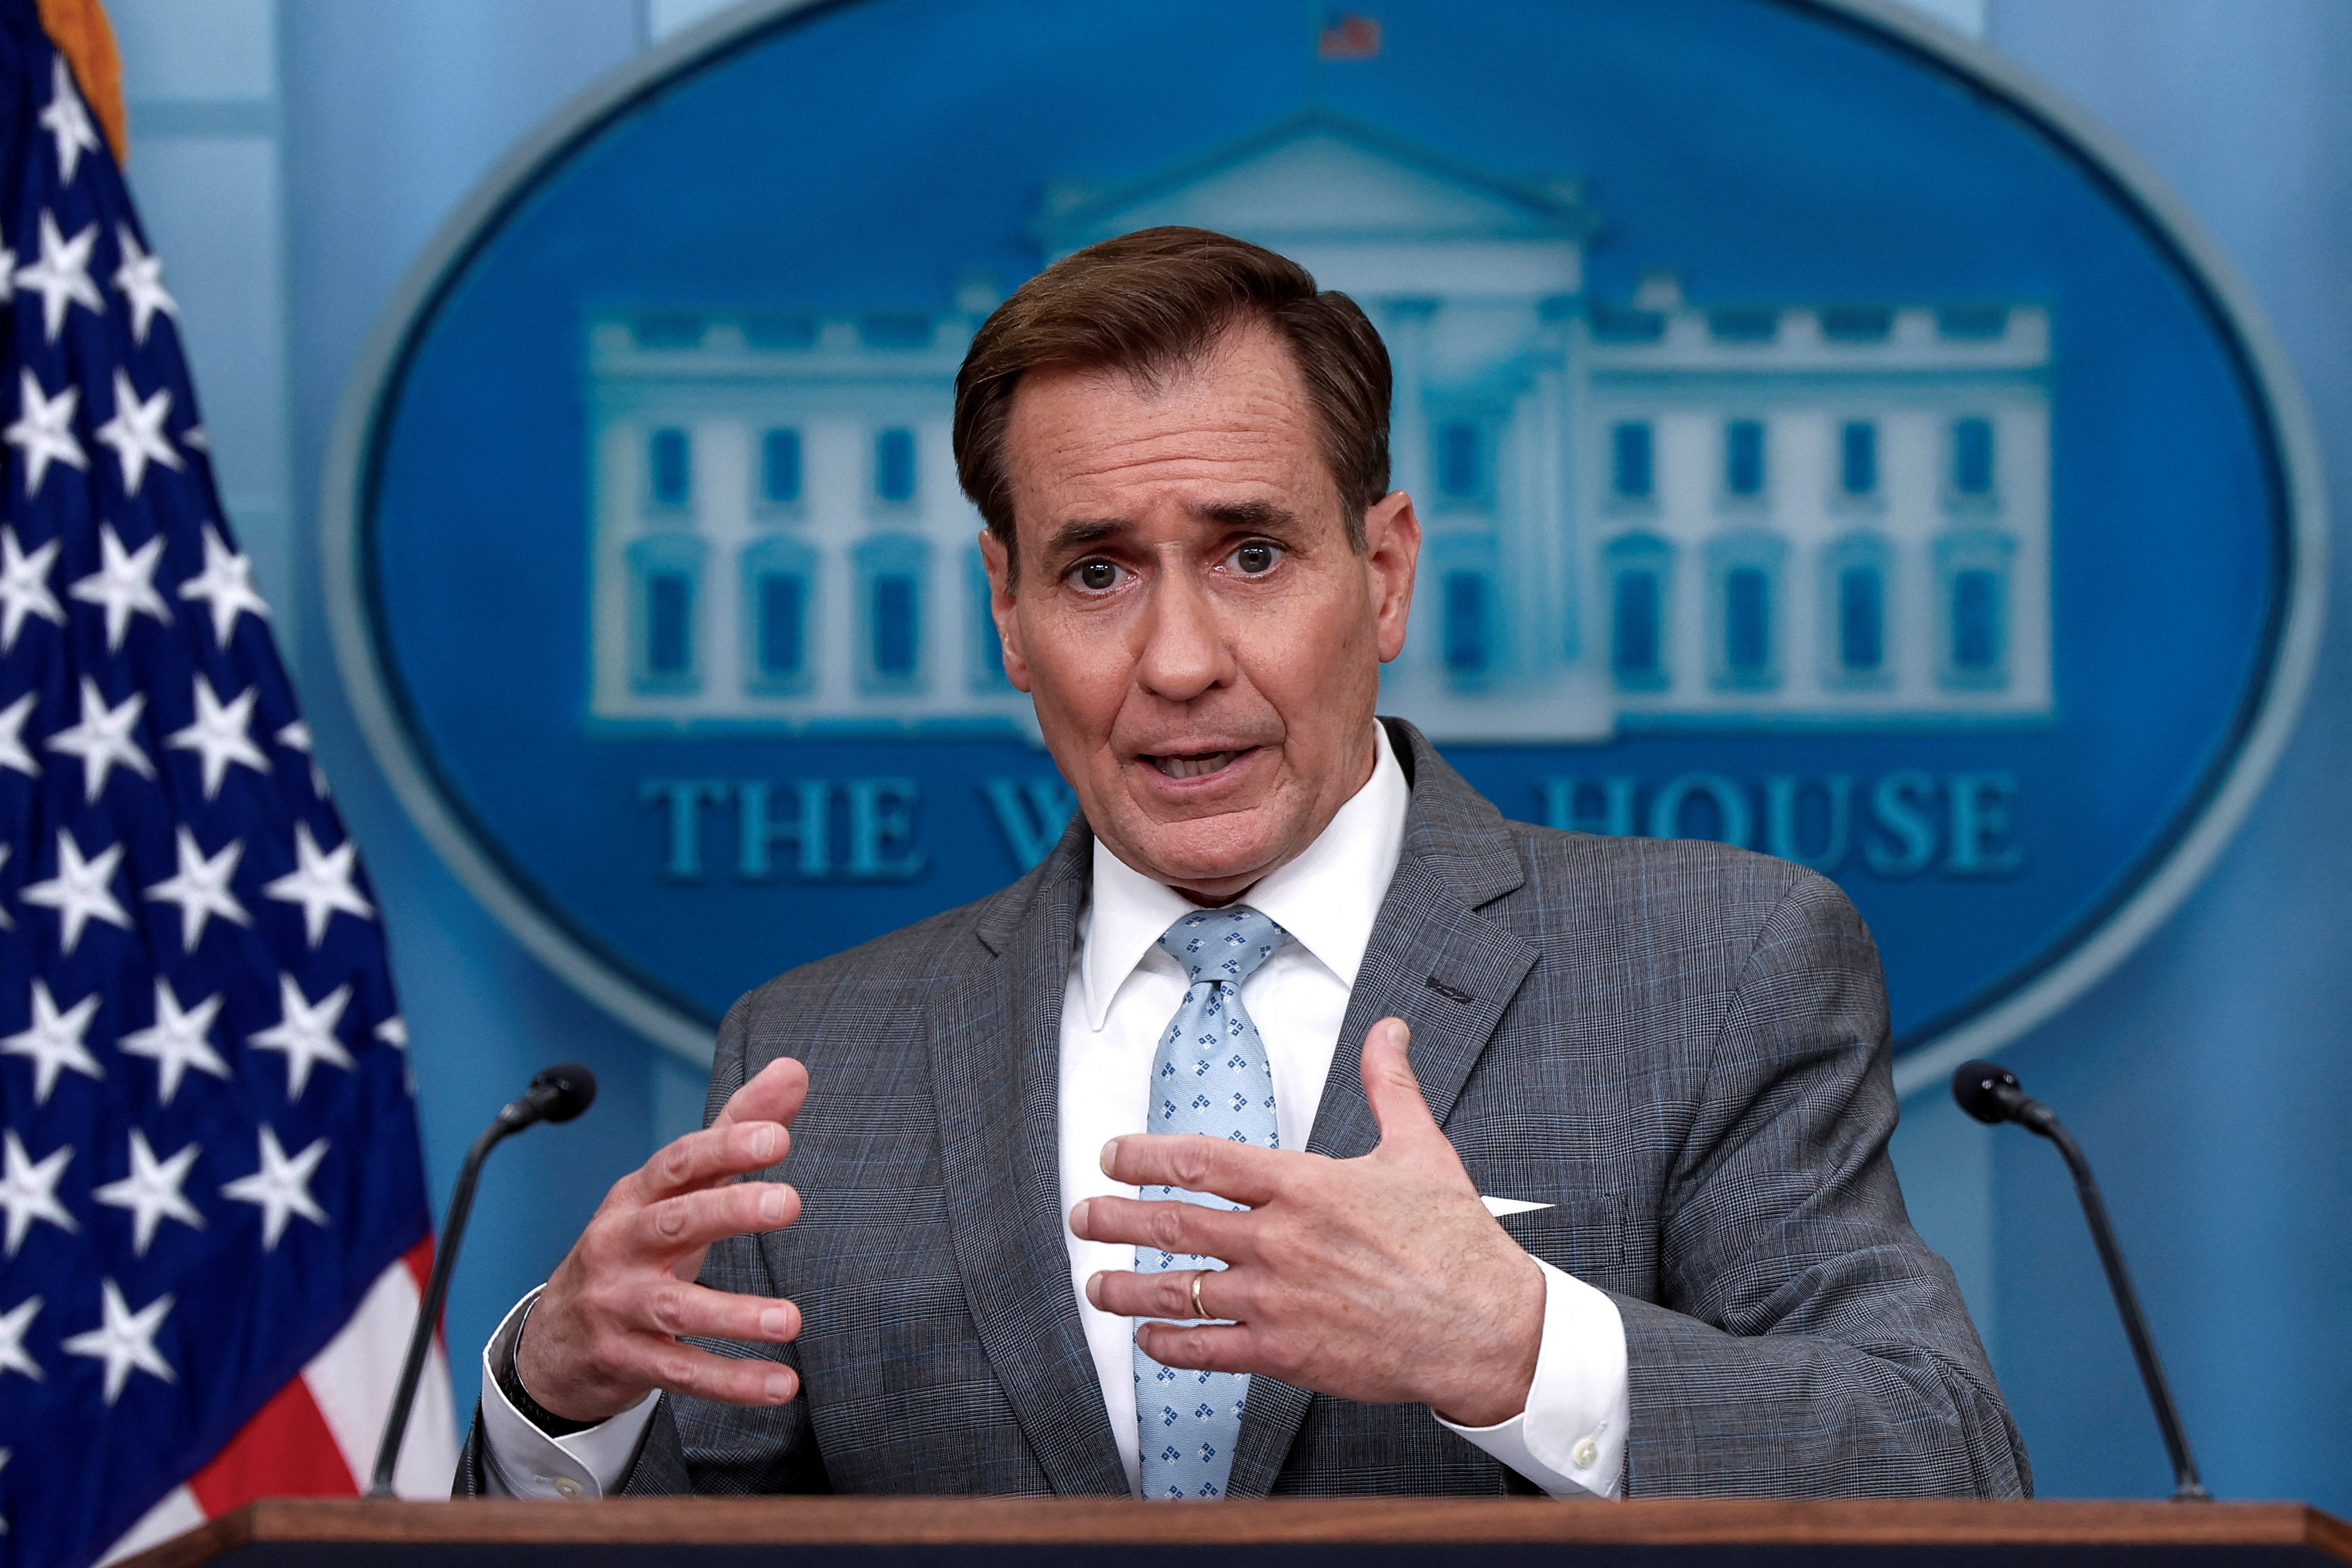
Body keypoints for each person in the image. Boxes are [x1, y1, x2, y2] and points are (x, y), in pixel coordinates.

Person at [462, 226, 2028, 1501]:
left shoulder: (1715, 964)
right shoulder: (816, 1059)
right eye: (1095, 572)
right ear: (1005, 611)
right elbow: (699, 1542)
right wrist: (557, 1401)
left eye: (1251, 555)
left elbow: (1944, 1466)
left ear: (1386, 569)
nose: (1178, 659)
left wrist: (1517, 1345)